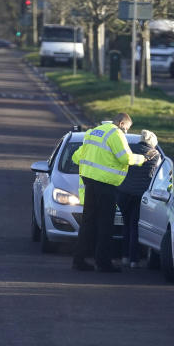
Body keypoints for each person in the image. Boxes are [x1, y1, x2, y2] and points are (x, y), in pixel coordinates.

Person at [71, 113, 157, 272]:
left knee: (88, 222)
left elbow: (76, 157)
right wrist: (144, 158)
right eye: (127, 128)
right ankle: (103, 263)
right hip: (106, 185)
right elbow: (125, 158)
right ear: (122, 123)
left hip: (89, 182)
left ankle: (79, 260)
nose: (126, 131)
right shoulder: (115, 133)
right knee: (105, 225)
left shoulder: (94, 131)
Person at [115, 130, 162, 268]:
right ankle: (134, 260)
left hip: (124, 192)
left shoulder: (130, 149)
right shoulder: (156, 155)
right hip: (140, 195)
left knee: (126, 224)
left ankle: (124, 256)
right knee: (135, 226)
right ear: (153, 143)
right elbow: (158, 176)